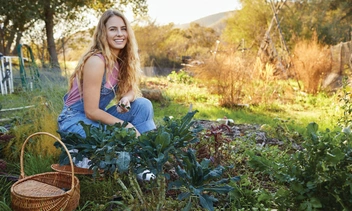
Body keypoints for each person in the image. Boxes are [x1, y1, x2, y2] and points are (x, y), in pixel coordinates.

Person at [57, 9, 156, 143]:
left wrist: (125, 99)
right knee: (109, 141)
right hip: (75, 119)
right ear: (103, 33)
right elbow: (91, 111)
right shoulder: (96, 62)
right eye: (113, 29)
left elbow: (131, 90)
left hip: (95, 117)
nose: (120, 34)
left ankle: (148, 151)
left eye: (123, 29)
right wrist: (125, 125)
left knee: (142, 105)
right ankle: (138, 150)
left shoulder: (122, 61)